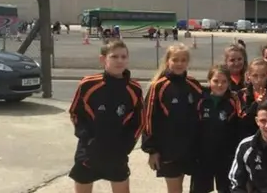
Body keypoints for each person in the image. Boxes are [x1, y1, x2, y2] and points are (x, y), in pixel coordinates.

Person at [67, 39, 144, 193]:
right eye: (114, 57)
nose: (119, 61)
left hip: (117, 151)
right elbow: (75, 113)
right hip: (89, 150)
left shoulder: (134, 89)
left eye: (123, 57)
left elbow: (139, 122)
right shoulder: (88, 84)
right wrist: (87, 139)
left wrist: (126, 146)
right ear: (103, 59)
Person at [142, 44, 203, 193]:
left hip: (190, 147)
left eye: (183, 60)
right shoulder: (158, 86)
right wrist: (152, 150)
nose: (179, 63)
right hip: (168, 149)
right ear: (168, 61)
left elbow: (203, 111)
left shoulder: (194, 84)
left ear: (188, 62)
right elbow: (148, 119)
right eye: (175, 59)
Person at [191, 65, 240, 193]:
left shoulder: (233, 101)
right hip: (202, 155)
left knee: (226, 189)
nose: (220, 85)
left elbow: (237, 128)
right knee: (199, 189)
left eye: (224, 82)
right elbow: (194, 128)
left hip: (225, 156)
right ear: (209, 81)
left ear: (229, 83)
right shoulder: (200, 100)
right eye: (216, 81)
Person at [238, 58, 267, 138]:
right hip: (249, 137)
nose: (259, 80)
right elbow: (242, 120)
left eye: (263, 76)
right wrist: (256, 104)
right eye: (255, 76)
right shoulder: (242, 94)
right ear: (248, 76)